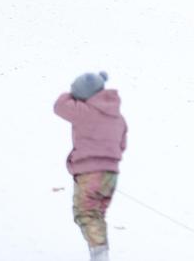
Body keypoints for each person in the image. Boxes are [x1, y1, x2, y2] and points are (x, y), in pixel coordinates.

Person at [54, 71, 128, 261]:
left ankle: (100, 255)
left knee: (85, 214)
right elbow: (122, 144)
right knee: (97, 214)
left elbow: (59, 105)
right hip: (111, 174)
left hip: (89, 174)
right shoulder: (117, 117)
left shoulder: (84, 112)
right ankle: (99, 252)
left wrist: (73, 95)